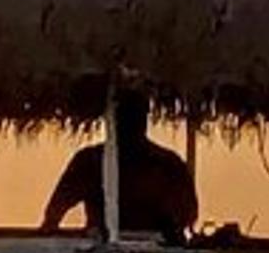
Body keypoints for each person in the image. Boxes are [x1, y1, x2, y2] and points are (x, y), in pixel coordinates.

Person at [39, 90, 197, 243]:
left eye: (135, 116)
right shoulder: (91, 161)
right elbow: (55, 211)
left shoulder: (168, 164)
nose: (130, 123)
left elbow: (188, 216)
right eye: (126, 116)